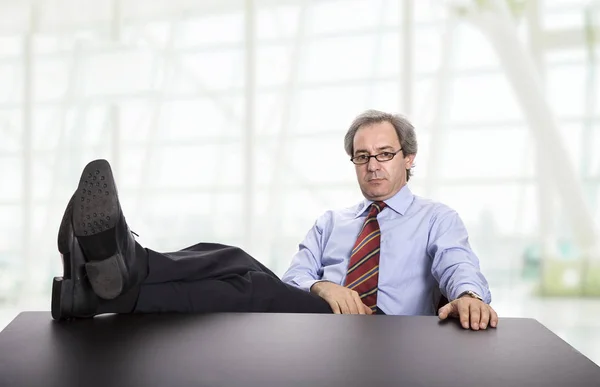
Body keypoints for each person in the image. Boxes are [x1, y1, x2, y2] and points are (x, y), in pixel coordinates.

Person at [52, 109, 498, 331]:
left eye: (385, 154)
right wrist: (325, 286)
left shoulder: (436, 218)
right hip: (321, 326)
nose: (373, 165)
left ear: (409, 159)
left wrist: (469, 295)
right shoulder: (332, 221)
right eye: (362, 157)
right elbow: (297, 278)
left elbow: (455, 261)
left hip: (385, 332)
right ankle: (109, 283)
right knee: (233, 264)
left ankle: (112, 277)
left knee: (249, 280)